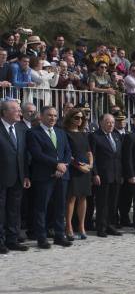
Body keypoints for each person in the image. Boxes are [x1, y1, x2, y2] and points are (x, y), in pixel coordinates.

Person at [27, 106, 72, 249]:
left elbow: (67, 151)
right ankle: (41, 237)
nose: (52, 118)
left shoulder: (61, 132)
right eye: (49, 115)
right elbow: (37, 154)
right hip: (44, 176)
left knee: (60, 207)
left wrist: (63, 166)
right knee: (41, 207)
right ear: (41, 116)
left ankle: (59, 235)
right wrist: (56, 165)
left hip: (62, 175)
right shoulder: (33, 133)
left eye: (54, 115)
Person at [0, 100, 30, 253]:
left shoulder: (20, 129)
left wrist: (25, 175)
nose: (19, 113)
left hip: (18, 177)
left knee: (14, 210)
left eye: (19, 110)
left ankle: (12, 239)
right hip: (2, 178)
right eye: (15, 110)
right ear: (4, 112)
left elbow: (23, 154)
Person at [90, 114, 124, 237]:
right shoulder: (95, 136)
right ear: (101, 122)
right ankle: (101, 227)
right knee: (102, 203)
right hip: (102, 175)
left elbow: (120, 157)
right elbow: (92, 157)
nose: (111, 125)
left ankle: (111, 225)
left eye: (112, 122)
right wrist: (95, 174)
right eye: (108, 122)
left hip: (115, 174)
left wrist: (121, 174)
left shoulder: (116, 136)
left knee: (113, 202)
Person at [63, 108, 94, 241]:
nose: (79, 120)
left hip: (85, 169)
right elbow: (67, 154)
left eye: (81, 118)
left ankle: (81, 227)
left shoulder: (83, 134)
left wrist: (90, 165)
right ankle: (69, 226)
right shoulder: (65, 133)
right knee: (71, 198)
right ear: (70, 118)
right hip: (73, 169)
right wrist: (79, 166)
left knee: (83, 198)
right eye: (76, 117)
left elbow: (89, 152)